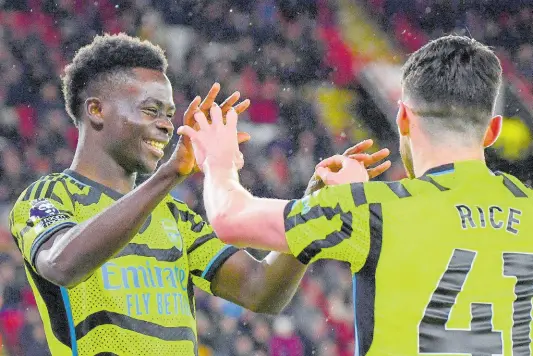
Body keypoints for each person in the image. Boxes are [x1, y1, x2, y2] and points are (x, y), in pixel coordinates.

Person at [8, 33, 389, 355]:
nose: (165, 125)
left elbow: (261, 292)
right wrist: (170, 174)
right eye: (151, 109)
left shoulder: (174, 216)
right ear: (96, 111)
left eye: (169, 114)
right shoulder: (48, 197)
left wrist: (311, 210)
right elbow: (62, 265)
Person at [178, 35, 533, 355]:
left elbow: (228, 218)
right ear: (493, 130)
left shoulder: (373, 209)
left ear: (403, 119)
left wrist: (220, 158)